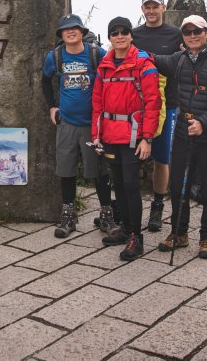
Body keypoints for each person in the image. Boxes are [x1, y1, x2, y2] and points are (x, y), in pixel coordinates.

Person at [150, 15, 207, 259]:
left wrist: (203, 123)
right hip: (182, 133)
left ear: (206, 33)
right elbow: (154, 59)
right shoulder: (179, 60)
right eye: (187, 32)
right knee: (178, 185)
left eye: (196, 31)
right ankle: (179, 232)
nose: (192, 35)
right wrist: (122, 48)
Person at [91, 16, 161, 261]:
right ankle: (125, 229)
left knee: (131, 185)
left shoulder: (143, 64)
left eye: (124, 32)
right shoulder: (104, 66)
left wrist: (147, 138)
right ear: (109, 38)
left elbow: (153, 102)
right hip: (110, 134)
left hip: (132, 135)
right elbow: (97, 103)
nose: (119, 36)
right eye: (114, 33)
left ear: (131, 35)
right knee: (118, 183)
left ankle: (136, 237)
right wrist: (96, 136)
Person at [41, 14, 117, 238]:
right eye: (66, 29)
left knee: (99, 172)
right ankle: (68, 217)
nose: (71, 32)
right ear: (61, 34)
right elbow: (46, 80)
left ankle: (106, 216)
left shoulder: (96, 53)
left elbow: (112, 73)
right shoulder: (55, 56)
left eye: (75, 28)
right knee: (66, 171)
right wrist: (52, 106)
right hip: (67, 123)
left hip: (93, 124)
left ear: (82, 32)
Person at [131, 0, 183, 232]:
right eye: (147, 7)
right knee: (130, 156)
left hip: (167, 103)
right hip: (136, 105)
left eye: (155, 7)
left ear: (163, 8)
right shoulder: (134, 34)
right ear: (142, 9)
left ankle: (158, 205)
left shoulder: (176, 34)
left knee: (162, 158)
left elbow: (190, 55)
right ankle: (128, 207)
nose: (151, 11)